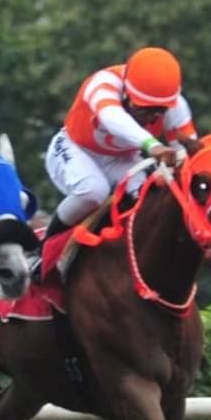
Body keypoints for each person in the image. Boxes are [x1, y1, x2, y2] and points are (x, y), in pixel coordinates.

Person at [38, 46, 198, 270]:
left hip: (121, 159)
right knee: (93, 191)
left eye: (158, 111)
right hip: (74, 148)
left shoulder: (176, 106)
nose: (150, 117)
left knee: (146, 200)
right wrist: (152, 146)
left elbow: (187, 154)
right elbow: (113, 118)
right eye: (143, 109)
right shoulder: (103, 83)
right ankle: (42, 250)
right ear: (126, 92)